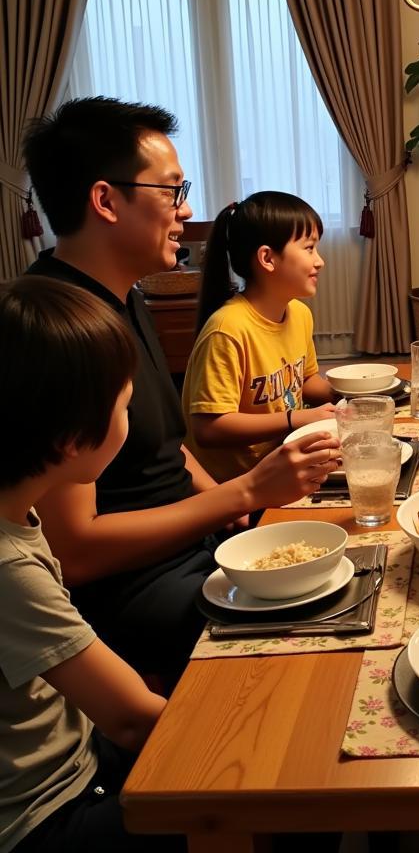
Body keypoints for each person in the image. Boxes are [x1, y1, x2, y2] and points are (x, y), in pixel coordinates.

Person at [22, 97, 340, 685]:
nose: (186, 208)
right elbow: (74, 550)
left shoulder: (124, 295)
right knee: (320, 651)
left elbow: (170, 446)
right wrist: (240, 494)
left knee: (356, 568)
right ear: (105, 200)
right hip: (138, 590)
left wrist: (233, 512)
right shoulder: (58, 330)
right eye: (172, 191)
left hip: (199, 543)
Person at [0, 276, 183, 853]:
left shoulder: (18, 507)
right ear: (75, 438)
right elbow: (132, 717)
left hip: (79, 746)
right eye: (125, 405)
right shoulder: (9, 571)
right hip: (50, 809)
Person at [183, 192, 337, 483]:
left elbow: (306, 381)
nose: (320, 261)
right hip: (239, 483)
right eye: (309, 248)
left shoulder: (299, 314)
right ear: (267, 258)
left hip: (284, 459)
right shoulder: (227, 329)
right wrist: (295, 419)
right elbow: (209, 428)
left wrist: (348, 397)